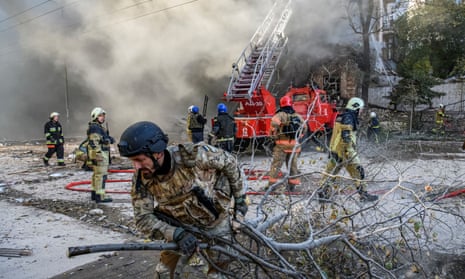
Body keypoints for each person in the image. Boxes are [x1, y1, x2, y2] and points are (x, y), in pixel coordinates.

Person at [117, 121, 247, 279]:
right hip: (180, 228)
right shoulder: (141, 179)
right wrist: (176, 234)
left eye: (139, 159)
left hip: (215, 223)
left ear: (157, 152)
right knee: (163, 273)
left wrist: (240, 200)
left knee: (218, 275)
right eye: (133, 161)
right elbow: (143, 218)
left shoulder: (194, 156)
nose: (136, 167)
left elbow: (231, 164)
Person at [318, 97, 378, 202]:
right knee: (359, 172)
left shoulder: (342, 116)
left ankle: (323, 195)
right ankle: (363, 195)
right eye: (361, 109)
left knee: (330, 173)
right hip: (345, 153)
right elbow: (346, 139)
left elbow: (336, 136)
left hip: (335, 152)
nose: (361, 111)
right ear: (356, 107)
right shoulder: (349, 119)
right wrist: (352, 156)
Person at [267, 95, 306, 191]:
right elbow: (304, 128)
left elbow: (273, 126)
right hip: (294, 146)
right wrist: (298, 137)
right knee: (293, 166)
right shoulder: (297, 116)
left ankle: (271, 186)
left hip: (281, 145)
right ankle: (292, 185)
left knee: (276, 165)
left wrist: (274, 137)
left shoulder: (279, 115)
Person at [87, 107, 114, 203]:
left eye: (103, 115)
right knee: (101, 176)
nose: (102, 117)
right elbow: (94, 142)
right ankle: (100, 196)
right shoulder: (95, 128)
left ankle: (95, 194)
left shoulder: (97, 127)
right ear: (95, 116)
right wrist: (99, 154)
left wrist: (109, 139)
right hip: (100, 155)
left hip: (97, 154)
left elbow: (102, 139)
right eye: (100, 115)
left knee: (97, 175)